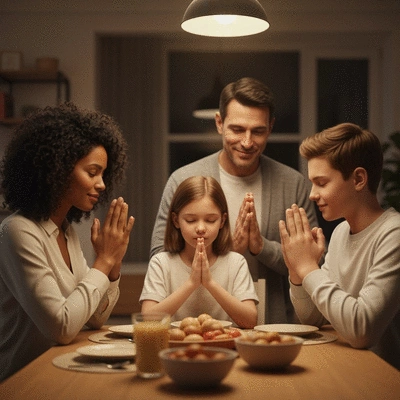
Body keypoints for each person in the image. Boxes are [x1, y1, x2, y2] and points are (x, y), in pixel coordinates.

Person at [150, 77, 318, 323]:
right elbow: (160, 254)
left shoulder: (292, 184)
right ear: (219, 123)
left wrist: (261, 247)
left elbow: (313, 264)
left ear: (270, 127)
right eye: (237, 130)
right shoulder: (183, 179)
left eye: (258, 131)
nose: (247, 142)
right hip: (199, 321)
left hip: (273, 324)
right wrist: (224, 251)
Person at [0, 103, 135, 381]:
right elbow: (61, 327)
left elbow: (92, 318)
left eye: (103, 174)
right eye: (92, 172)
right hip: (20, 381)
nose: (101, 184)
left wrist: (113, 268)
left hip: (56, 371)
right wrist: (103, 261)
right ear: (58, 169)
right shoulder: (18, 231)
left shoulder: (65, 231)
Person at [279, 122, 400, 370]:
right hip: (347, 369)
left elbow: (362, 330)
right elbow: (314, 317)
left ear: (358, 179)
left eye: (321, 183)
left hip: (383, 381)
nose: (312, 194)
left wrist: (309, 268)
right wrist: (297, 273)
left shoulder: (394, 234)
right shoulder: (342, 232)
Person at [140, 176, 258, 328]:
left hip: (223, 347)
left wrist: (209, 283)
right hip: (174, 348)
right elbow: (148, 321)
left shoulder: (235, 262)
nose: (201, 228)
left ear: (222, 221)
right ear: (176, 220)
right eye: (190, 220)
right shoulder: (161, 263)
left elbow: (250, 321)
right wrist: (191, 283)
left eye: (210, 220)